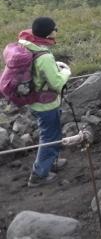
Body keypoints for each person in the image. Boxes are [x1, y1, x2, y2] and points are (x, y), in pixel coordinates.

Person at [16, 17, 71, 187]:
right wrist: (66, 72)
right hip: (46, 104)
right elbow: (57, 83)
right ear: (48, 33)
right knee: (50, 137)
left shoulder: (29, 45)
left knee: (51, 133)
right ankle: (39, 174)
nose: (56, 31)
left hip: (35, 100)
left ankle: (52, 162)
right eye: (55, 29)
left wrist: (54, 68)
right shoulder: (44, 56)